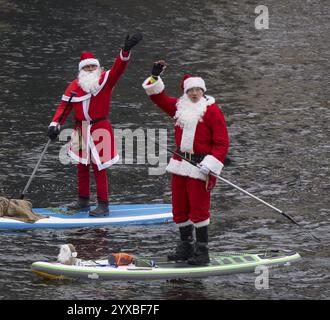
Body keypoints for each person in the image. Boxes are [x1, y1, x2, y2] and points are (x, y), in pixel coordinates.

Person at [142, 61, 229, 265]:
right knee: (179, 207)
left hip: (201, 167)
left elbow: (222, 142)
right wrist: (154, 77)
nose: (195, 93)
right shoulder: (179, 108)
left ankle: (202, 251)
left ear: (203, 90)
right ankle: (186, 246)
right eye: (191, 90)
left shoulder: (212, 111)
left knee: (198, 209)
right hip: (180, 163)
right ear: (185, 92)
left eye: (198, 89)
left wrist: (212, 163)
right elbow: (158, 97)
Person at [47, 33, 143, 217]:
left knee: (99, 168)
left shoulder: (105, 81)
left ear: (98, 68)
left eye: (93, 66)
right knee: (82, 165)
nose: (91, 69)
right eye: (87, 67)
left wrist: (125, 51)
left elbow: (118, 68)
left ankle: (103, 205)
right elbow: (64, 107)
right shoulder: (74, 86)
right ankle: (83, 200)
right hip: (80, 129)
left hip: (100, 128)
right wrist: (55, 124)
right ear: (81, 70)